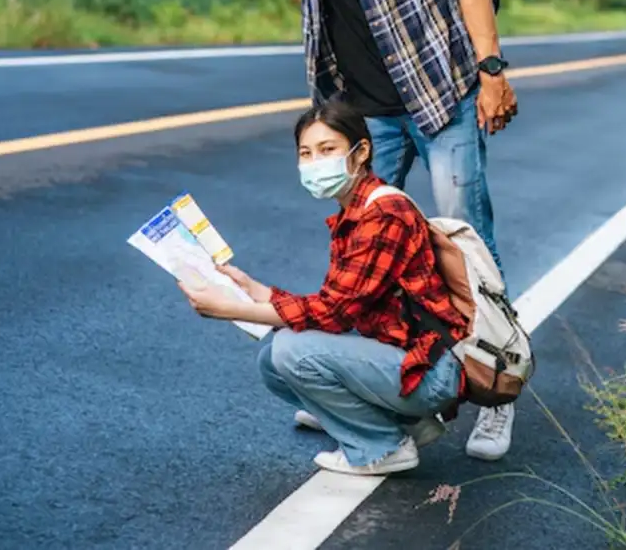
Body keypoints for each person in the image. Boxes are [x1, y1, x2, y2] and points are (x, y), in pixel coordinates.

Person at [45, 0, 519, 460]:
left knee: (466, 251)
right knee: (364, 255)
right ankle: (376, 397)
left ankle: (497, 390)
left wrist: (491, 70)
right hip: (367, 120)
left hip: (439, 97)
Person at [178, 101, 467, 477]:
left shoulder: (384, 215)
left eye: (328, 150)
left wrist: (230, 309)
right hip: (402, 359)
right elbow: (335, 307)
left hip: (428, 372)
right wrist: (253, 289)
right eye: (306, 153)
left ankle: (382, 447)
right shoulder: (356, 210)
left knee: (292, 351)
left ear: (360, 152)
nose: (316, 162)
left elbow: (332, 313)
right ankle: (404, 423)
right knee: (273, 362)